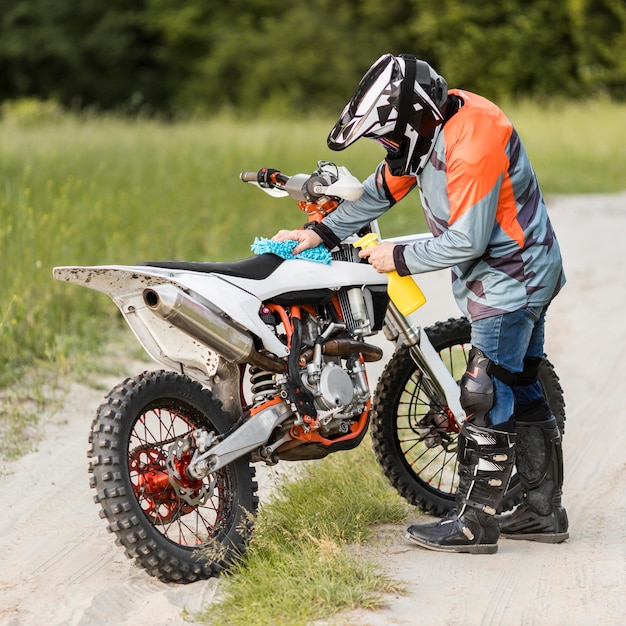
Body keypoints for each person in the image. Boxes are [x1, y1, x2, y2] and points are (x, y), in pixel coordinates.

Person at [272, 53, 568, 554]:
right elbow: (375, 196)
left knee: (484, 394)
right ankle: (544, 513)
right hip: (523, 272)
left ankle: (475, 523)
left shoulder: (472, 140)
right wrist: (316, 234)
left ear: (412, 118)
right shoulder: (430, 129)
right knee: (522, 386)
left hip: (510, 281)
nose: (387, 148)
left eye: (388, 137)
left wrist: (397, 256)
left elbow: (466, 242)